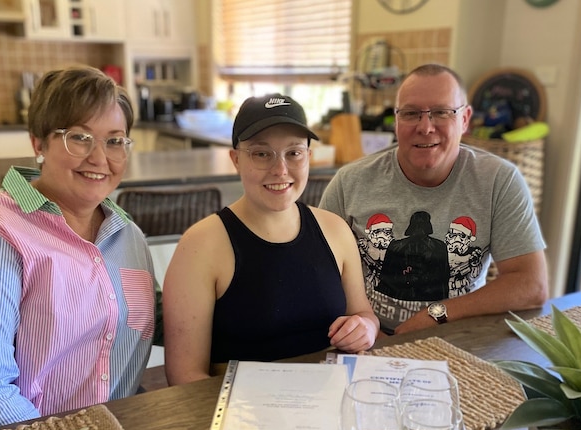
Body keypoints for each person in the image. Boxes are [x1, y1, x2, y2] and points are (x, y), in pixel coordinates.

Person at [0, 65, 156, 429]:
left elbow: (133, 331)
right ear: (38, 143)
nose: (99, 157)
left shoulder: (128, 236)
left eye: (115, 140)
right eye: (80, 137)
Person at [163, 94, 379, 386]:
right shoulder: (200, 245)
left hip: (329, 402)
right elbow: (185, 376)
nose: (280, 170)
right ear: (236, 159)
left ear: (309, 158)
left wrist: (365, 327)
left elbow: (364, 315)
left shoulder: (335, 229)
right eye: (261, 154)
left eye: (294, 153)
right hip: (241, 416)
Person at [319, 63, 548, 335]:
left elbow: (532, 285)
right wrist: (364, 326)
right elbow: (318, 274)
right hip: (364, 339)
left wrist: (434, 315)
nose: (425, 127)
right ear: (396, 120)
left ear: (465, 119)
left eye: (442, 112)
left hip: (457, 335)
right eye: (411, 113)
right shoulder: (349, 182)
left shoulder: (500, 181)